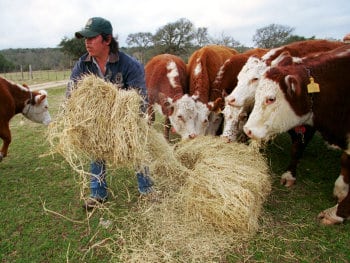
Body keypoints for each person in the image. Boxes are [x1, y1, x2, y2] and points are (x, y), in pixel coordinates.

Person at [66, 17, 153, 210]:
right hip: (98, 121)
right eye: (85, 38)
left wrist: (121, 120)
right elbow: (71, 93)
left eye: (91, 38)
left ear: (107, 40)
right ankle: (98, 194)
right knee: (96, 148)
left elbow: (140, 101)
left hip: (126, 121)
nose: (87, 42)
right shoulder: (83, 65)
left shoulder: (129, 64)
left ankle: (147, 190)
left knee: (138, 143)